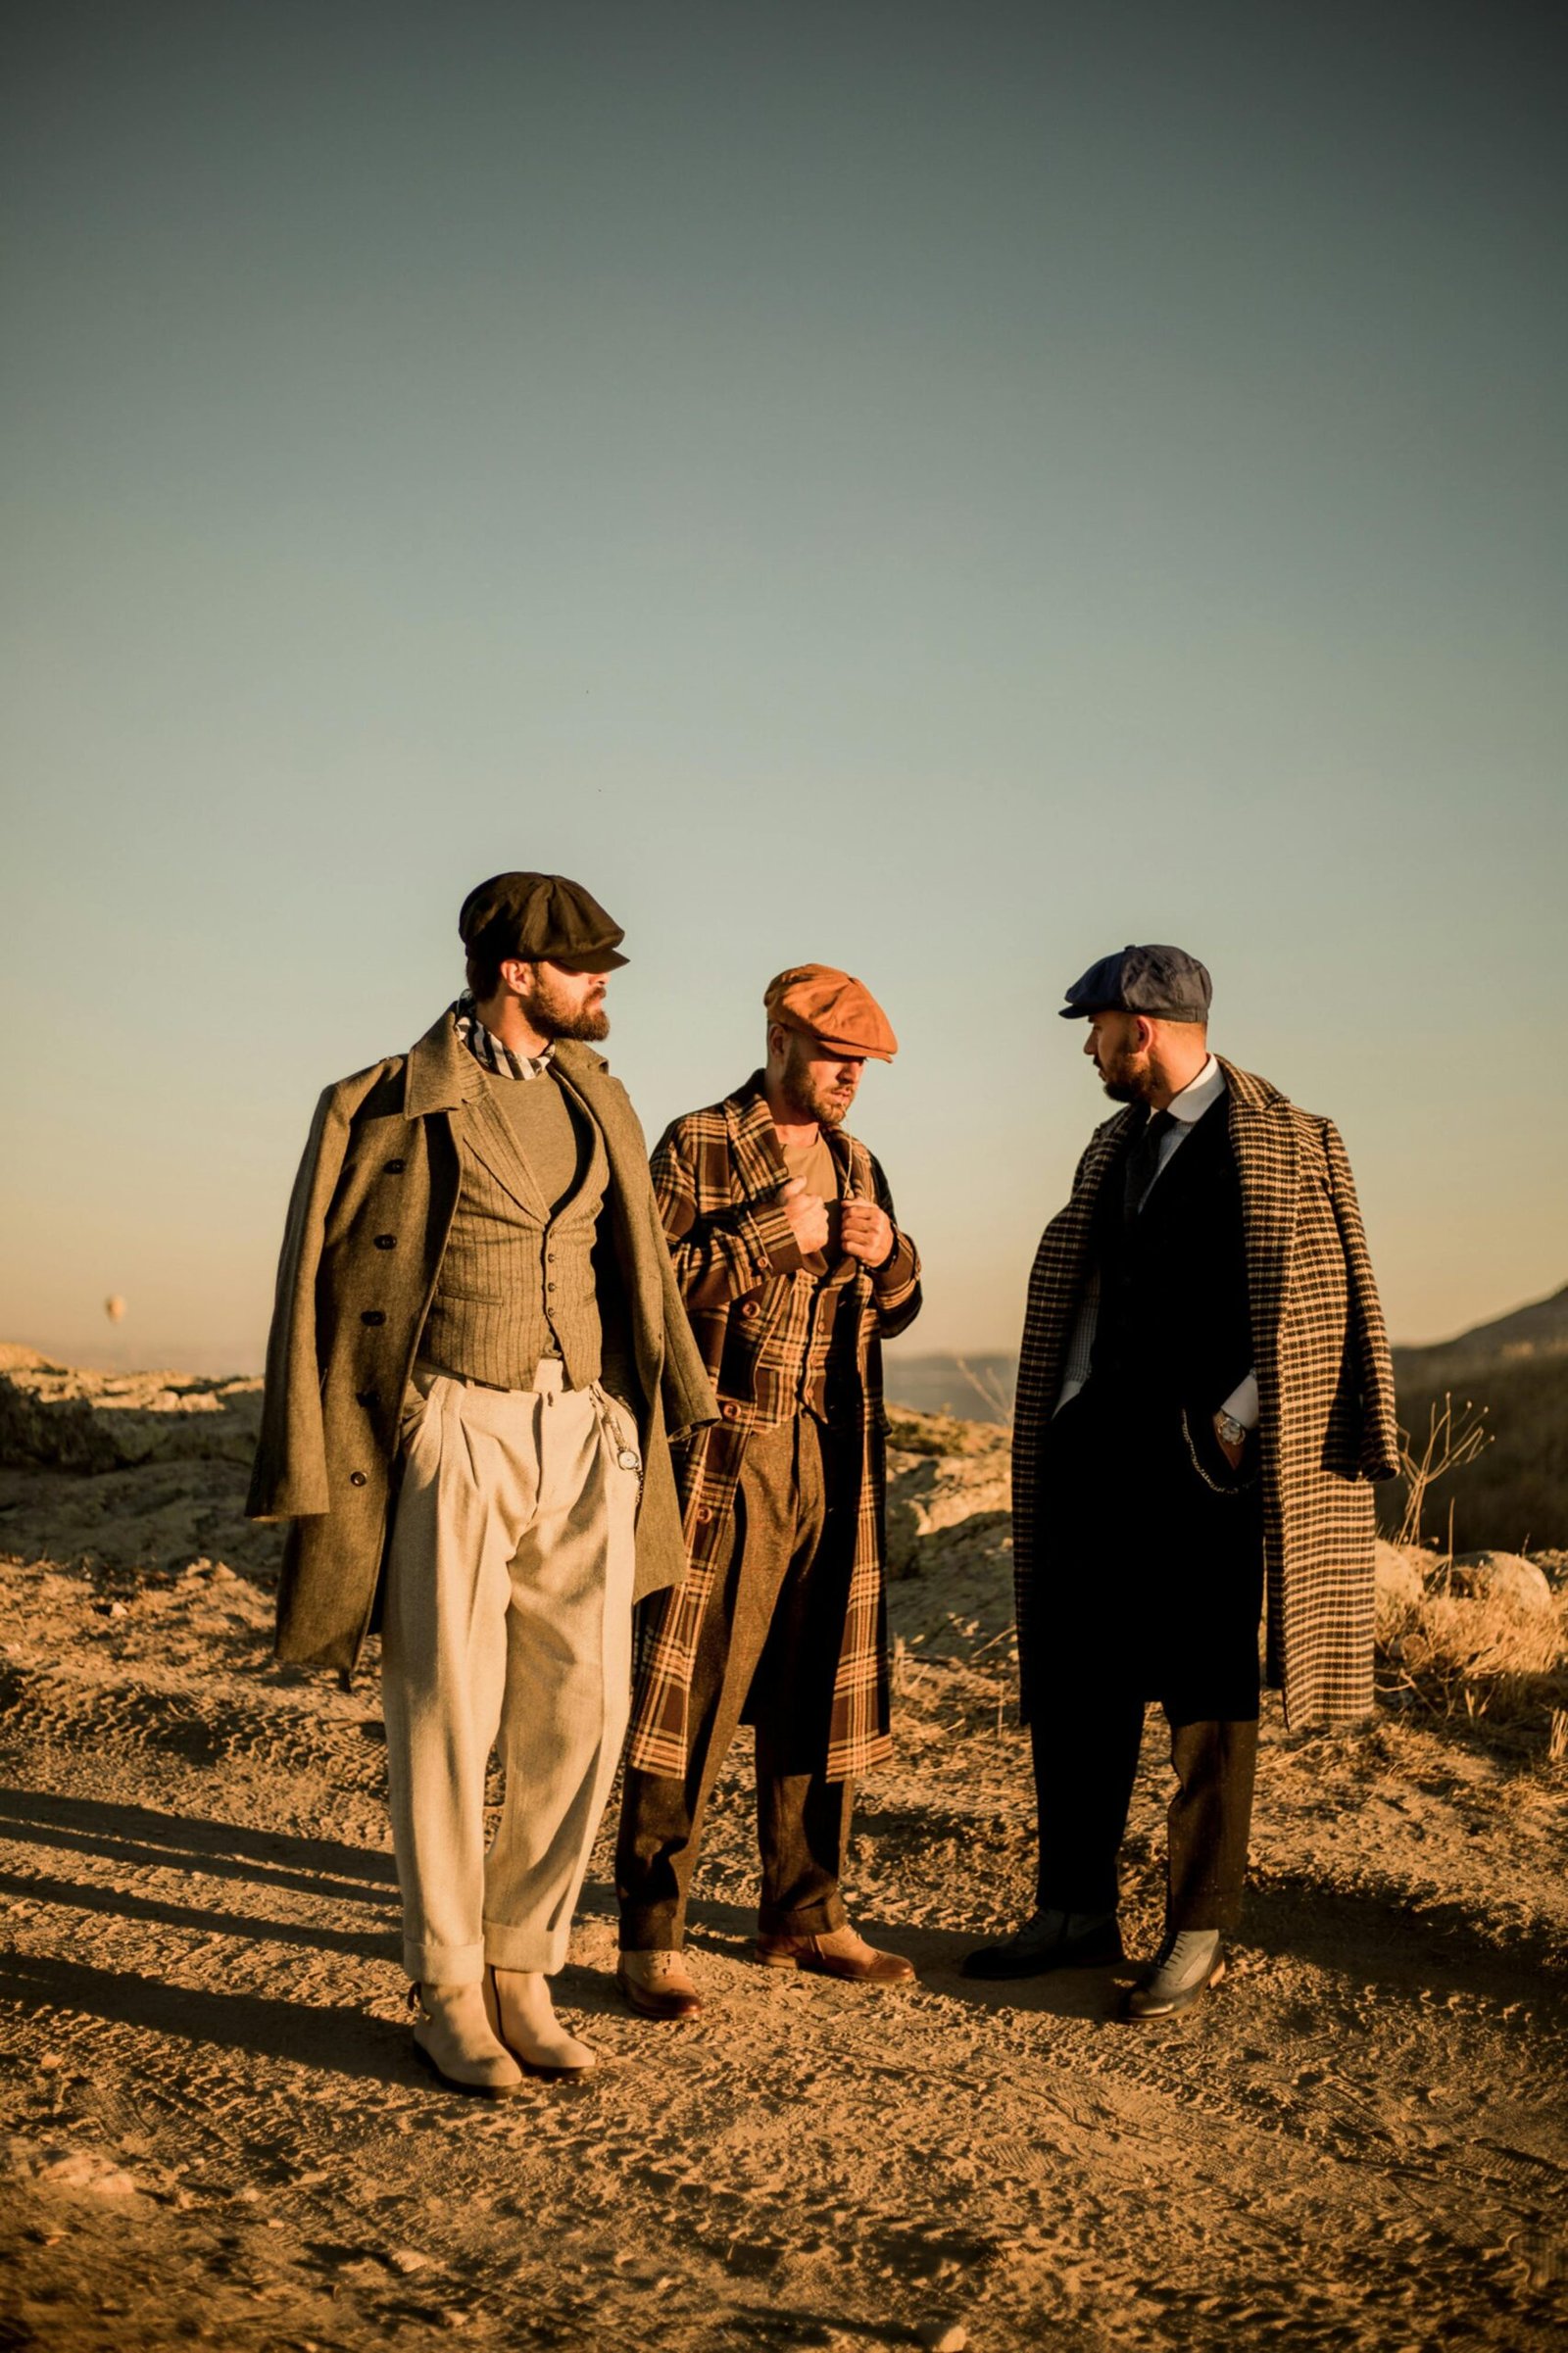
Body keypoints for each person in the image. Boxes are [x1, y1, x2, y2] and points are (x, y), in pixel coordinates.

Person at [247, 871, 715, 2093]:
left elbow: (638, 1279)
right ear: (517, 971)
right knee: (447, 1715)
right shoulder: (382, 1103)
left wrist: (640, 1413)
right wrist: (347, 1446)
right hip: (455, 1426)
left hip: (587, 1435)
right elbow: (312, 1292)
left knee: (584, 1711)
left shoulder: (597, 1097)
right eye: (583, 964)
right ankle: (447, 1985)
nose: (603, 983)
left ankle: (525, 1967)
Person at [964, 944, 1397, 2018]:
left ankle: (1196, 1926)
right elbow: (1094, 1287)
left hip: (1215, 1466)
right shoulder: (1114, 1143)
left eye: (1097, 1026)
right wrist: (1065, 1409)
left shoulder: (1293, 1140)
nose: (1088, 1045)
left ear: (1144, 1025)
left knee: (1209, 1700)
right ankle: (1073, 1909)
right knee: (1078, 1683)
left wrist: (1237, 1420)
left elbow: (1320, 1297)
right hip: (1095, 1454)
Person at [613, 964, 923, 2020]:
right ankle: (650, 1933)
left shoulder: (859, 1162)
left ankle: (806, 1910)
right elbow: (640, 1287)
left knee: (816, 1691)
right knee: (685, 1697)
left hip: (829, 1457)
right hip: (719, 1457)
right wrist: (760, 1238)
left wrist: (894, 1261)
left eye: (863, 1064)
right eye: (836, 1056)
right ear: (780, 1039)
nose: (850, 1077)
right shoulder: (698, 1140)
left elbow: (896, 1308)